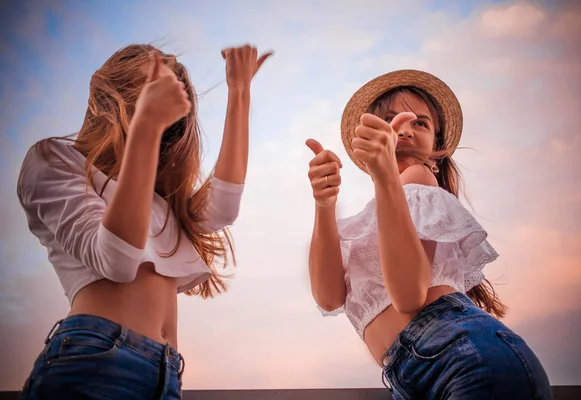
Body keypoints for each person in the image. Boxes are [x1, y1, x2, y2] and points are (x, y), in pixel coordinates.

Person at [17, 43, 271, 399]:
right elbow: (117, 260)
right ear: (113, 95)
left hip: (165, 372)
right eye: (151, 87)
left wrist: (239, 92)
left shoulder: (157, 200)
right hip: (95, 357)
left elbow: (223, 207)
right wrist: (147, 126)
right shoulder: (53, 158)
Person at [305, 70, 553, 399]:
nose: (406, 129)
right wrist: (324, 203)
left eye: (420, 123)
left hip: (461, 359)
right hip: (419, 374)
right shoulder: (378, 212)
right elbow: (329, 296)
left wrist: (385, 178)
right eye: (393, 120)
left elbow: (408, 297)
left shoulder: (419, 177)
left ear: (436, 148)